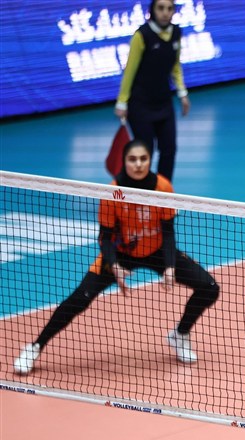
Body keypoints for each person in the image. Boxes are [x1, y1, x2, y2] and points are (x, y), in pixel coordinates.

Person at [13, 140, 219, 374]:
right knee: (79, 298)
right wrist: (115, 266)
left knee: (209, 287)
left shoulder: (162, 187)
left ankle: (180, 334)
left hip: (157, 252)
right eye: (133, 159)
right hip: (121, 254)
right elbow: (105, 237)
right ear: (124, 161)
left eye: (143, 159)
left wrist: (170, 266)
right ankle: (35, 346)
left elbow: (168, 230)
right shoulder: (113, 191)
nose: (138, 164)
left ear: (149, 160)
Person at [114, 0, 190, 182]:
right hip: (140, 105)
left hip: (164, 102)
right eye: (160, 8)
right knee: (144, 153)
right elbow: (129, 71)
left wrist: (182, 93)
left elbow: (175, 67)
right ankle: (143, 192)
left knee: (169, 149)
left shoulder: (176, 33)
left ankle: (163, 192)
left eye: (169, 8)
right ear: (153, 10)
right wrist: (122, 102)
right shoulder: (142, 35)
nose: (165, 12)